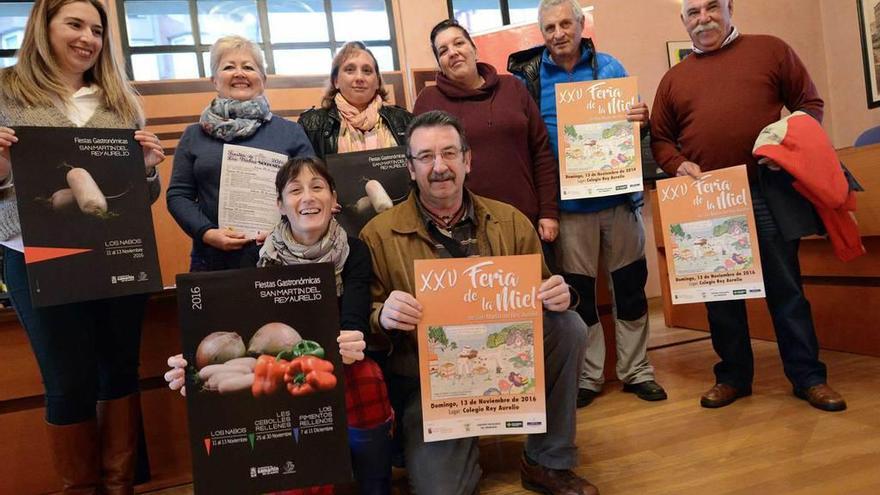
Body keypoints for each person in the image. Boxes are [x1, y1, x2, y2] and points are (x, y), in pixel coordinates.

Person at [360, 110, 597, 495]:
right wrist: (380, 316)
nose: (439, 167)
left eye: (450, 153)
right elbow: (366, 321)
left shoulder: (510, 220)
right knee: (443, 491)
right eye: (426, 157)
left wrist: (562, 294)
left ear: (468, 161)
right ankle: (455, 442)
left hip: (505, 364)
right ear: (410, 167)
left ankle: (546, 461)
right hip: (431, 384)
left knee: (567, 325)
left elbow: (541, 290)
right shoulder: (377, 235)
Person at [0, 0, 164, 493]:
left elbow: (138, 196)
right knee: (67, 380)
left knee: (119, 371)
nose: (87, 38)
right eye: (74, 24)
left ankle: (119, 486)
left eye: (96, 29)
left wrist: (150, 170)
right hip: (35, 254)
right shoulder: (6, 92)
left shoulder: (121, 99)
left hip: (114, 250)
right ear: (42, 26)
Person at [650, 0, 846, 412]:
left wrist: (786, 144)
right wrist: (676, 163)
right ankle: (734, 377)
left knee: (785, 288)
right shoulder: (673, 80)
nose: (703, 18)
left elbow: (810, 106)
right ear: (683, 21)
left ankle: (808, 377)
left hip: (765, 192)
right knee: (719, 296)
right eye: (693, 13)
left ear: (729, 8)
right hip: (708, 201)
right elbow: (661, 140)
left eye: (711, 8)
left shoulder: (771, 50)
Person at [165, 157, 394, 494]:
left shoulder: (355, 251)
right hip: (277, 366)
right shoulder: (255, 256)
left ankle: (375, 485)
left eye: (318, 188)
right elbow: (229, 325)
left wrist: (351, 338)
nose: (308, 197)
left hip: (335, 361)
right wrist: (192, 362)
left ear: (334, 201)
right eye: (295, 190)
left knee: (369, 377)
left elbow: (354, 315)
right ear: (280, 205)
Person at [508, 0, 665, 408]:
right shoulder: (529, 78)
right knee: (579, 296)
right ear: (540, 34)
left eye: (565, 23)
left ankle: (636, 370)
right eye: (549, 27)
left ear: (581, 24)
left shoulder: (611, 67)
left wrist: (640, 117)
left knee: (631, 286)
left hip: (618, 199)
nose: (558, 33)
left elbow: (636, 126)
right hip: (568, 208)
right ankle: (589, 375)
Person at [167, 35, 314, 272]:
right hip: (212, 260)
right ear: (214, 80)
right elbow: (179, 195)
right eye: (228, 67)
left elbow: (311, 191)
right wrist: (207, 233)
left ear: (263, 79)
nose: (239, 73)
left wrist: (286, 230)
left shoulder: (291, 132)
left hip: (284, 256)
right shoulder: (193, 135)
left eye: (248, 67)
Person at [413, 19, 559, 247]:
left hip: (523, 221)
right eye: (443, 50)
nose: (453, 52)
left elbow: (541, 152)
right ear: (440, 63)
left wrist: (548, 212)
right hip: (461, 230)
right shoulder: (428, 101)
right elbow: (420, 165)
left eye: (458, 43)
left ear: (474, 49)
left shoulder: (513, 88)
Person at [298, 41, 412, 159]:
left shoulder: (406, 121)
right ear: (336, 81)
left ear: (377, 81)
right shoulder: (310, 125)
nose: (359, 78)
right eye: (350, 70)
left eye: (367, 71)